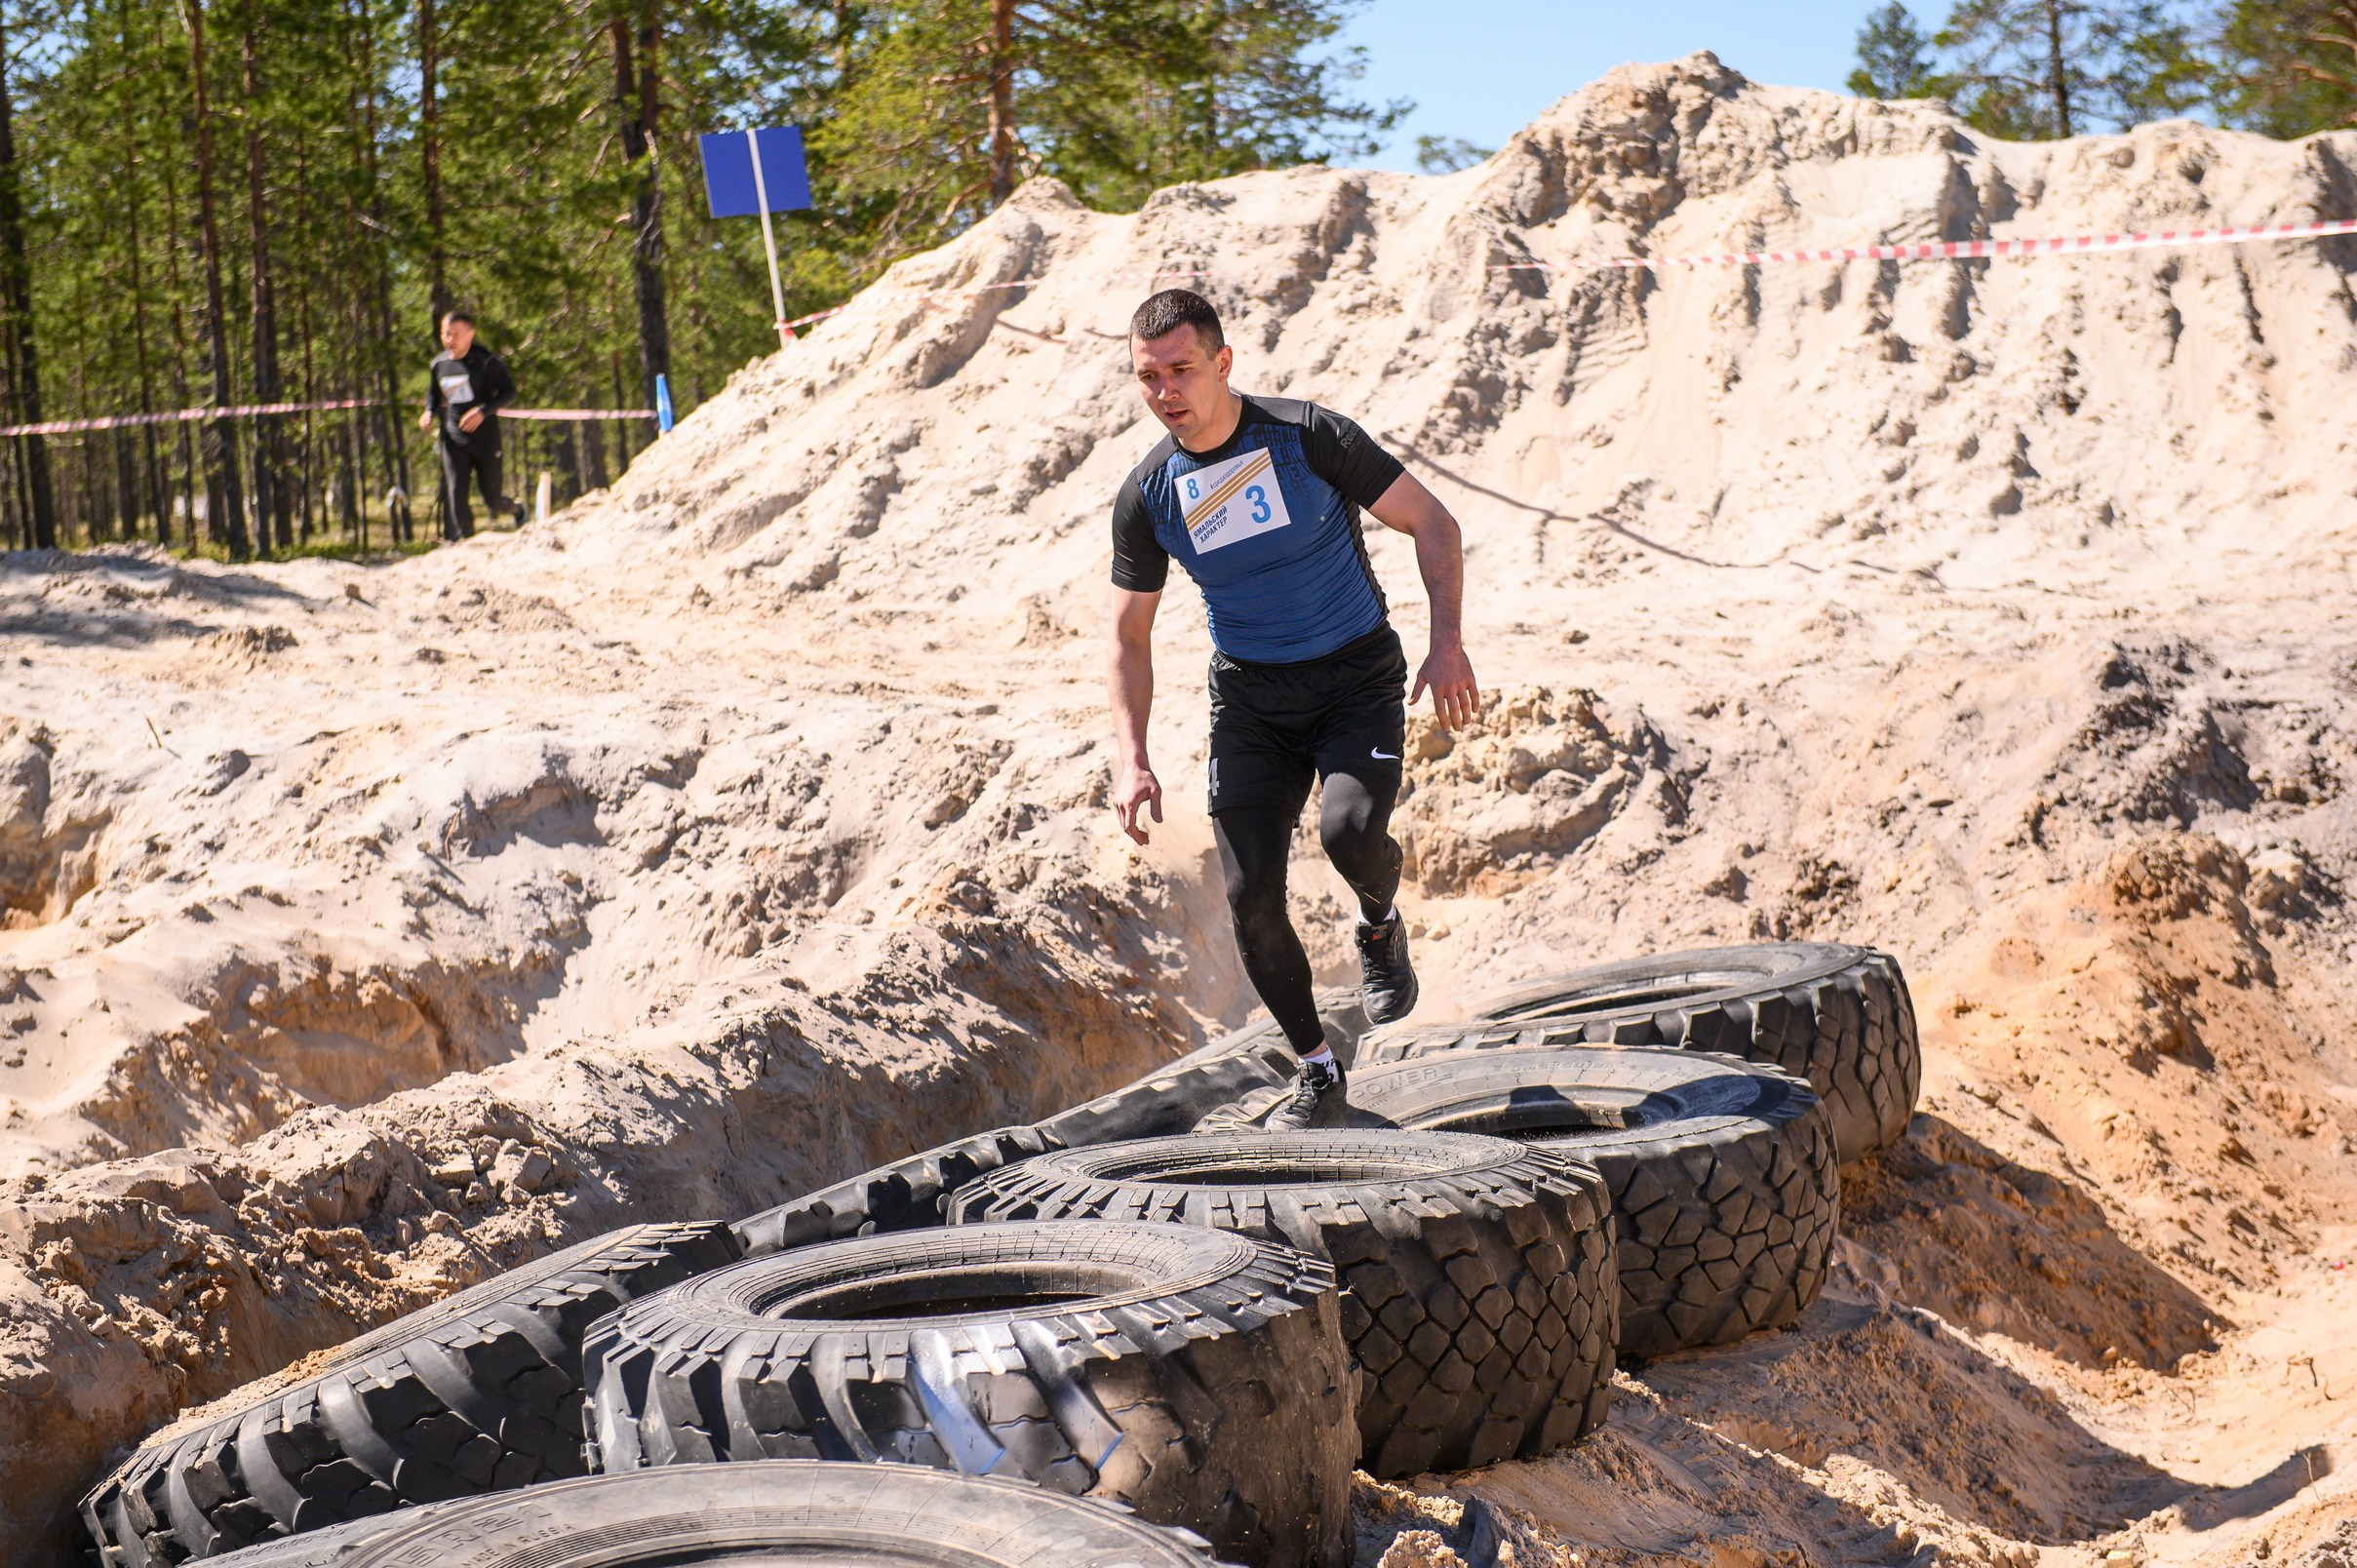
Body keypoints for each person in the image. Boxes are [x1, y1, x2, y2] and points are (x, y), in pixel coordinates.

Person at [1107, 290, 1479, 1131]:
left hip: (1353, 678)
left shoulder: (1307, 435)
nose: (1166, 391)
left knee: (1349, 835)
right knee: (1250, 895)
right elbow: (1129, 636)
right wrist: (1131, 756)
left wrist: (1446, 643)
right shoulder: (1148, 493)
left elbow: (1432, 522)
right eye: (1148, 377)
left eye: (1181, 369)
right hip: (1250, 700)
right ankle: (1316, 1068)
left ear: (1223, 362)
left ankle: (1379, 925)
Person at [417, 310, 524, 539]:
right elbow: (434, 396)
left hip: (485, 438)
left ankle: (516, 509)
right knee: (456, 494)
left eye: (456, 334)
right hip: (454, 438)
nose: (449, 340)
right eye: (446, 334)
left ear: (470, 335)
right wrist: (428, 412)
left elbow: (509, 392)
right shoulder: (438, 364)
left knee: (492, 500)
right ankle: (468, 543)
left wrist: (483, 411)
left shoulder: (485, 360)